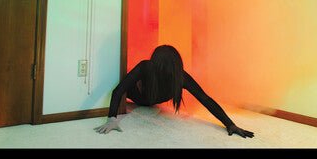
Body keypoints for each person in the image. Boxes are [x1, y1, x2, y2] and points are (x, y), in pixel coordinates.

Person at [94, 44, 254, 138]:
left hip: (151, 99)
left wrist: (230, 124)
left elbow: (205, 99)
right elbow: (119, 90)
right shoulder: (145, 67)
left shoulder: (180, 77)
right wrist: (112, 118)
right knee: (125, 77)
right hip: (138, 97)